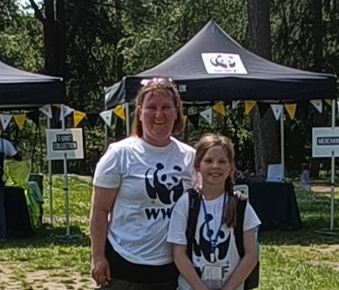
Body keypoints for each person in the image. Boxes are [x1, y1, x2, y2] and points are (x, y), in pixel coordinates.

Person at [90, 78, 195, 289]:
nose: (159, 114)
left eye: (166, 107)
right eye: (151, 108)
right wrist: (98, 257)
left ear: (176, 112)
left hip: (171, 270)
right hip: (123, 268)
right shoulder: (119, 154)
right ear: (139, 112)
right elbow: (100, 210)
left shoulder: (190, 158)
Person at [169, 134, 259, 290]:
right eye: (209, 161)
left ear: (231, 167)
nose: (215, 166)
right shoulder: (186, 204)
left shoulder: (241, 205)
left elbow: (251, 255)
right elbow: (178, 254)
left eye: (222, 161)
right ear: (198, 165)